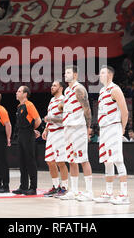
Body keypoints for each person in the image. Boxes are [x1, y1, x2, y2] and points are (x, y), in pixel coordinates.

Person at [93, 66, 130, 205]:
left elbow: (125, 111)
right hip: (104, 129)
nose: (100, 75)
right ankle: (108, 193)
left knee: (118, 160)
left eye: (102, 73)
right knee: (107, 161)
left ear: (109, 75)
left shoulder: (115, 89)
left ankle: (124, 194)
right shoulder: (102, 91)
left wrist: (123, 128)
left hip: (114, 126)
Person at [59, 65, 93, 201]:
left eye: (68, 72)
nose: (65, 74)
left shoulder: (79, 88)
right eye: (64, 72)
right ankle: (74, 191)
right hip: (68, 126)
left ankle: (89, 192)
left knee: (83, 159)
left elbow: (87, 109)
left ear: (75, 75)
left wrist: (88, 127)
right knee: (71, 160)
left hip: (78, 127)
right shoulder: (67, 90)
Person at [12, 86, 42, 195]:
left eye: (19, 91)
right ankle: (23, 186)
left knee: (30, 161)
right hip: (20, 135)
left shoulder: (29, 105)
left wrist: (32, 129)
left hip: (28, 135)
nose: (16, 92)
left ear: (25, 94)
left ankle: (33, 187)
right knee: (22, 161)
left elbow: (38, 120)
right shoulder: (20, 106)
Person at [42, 81, 69, 198]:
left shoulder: (64, 100)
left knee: (60, 162)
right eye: (52, 85)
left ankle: (64, 187)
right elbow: (50, 117)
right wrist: (46, 130)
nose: (52, 87)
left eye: (54, 85)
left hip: (60, 133)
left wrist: (50, 119)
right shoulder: (52, 100)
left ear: (61, 88)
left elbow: (65, 118)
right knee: (49, 161)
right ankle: (55, 186)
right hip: (51, 134)